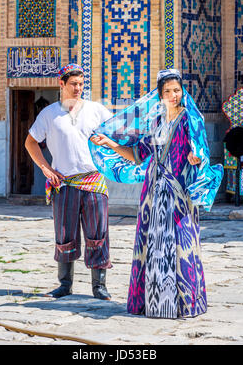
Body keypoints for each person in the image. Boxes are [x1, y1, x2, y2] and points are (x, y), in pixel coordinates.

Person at [90, 69, 223, 318]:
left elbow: (199, 148)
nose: (173, 95)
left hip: (179, 192)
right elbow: (138, 155)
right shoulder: (156, 122)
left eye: (176, 90)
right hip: (152, 192)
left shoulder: (189, 119)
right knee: (153, 245)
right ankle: (154, 304)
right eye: (167, 91)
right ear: (159, 95)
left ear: (182, 91)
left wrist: (197, 158)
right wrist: (110, 144)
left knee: (180, 244)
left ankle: (184, 304)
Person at [25, 64, 113, 300]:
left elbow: (117, 132)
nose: (78, 88)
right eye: (74, 84)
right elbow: (30, 143)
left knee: (98, 233)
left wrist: (110, 145)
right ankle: (65, 284)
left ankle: (99, 286)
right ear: (61, 84)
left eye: (82, 84)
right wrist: (45, 168)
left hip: (94, 182)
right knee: (64, 234)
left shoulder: (96, 110)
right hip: (64, 183)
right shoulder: (49, 114)